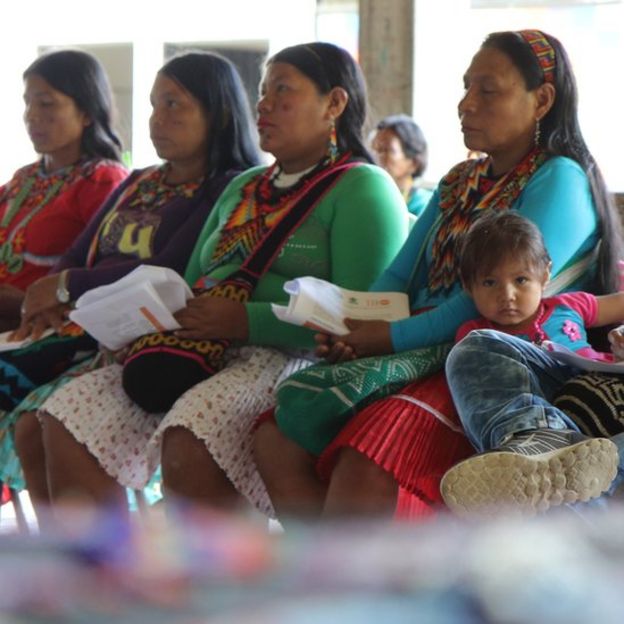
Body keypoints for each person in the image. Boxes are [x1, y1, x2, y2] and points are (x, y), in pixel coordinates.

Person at [253, 29, 624, 523]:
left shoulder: (561, 178)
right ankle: (329, 579)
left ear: (542, 100)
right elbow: (400, 272)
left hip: (488, 356)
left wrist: (386, 336)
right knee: (275, 437)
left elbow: (489, 301)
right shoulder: (459, 180)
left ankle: (355, 588)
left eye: (487, 90)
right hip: (418, 345)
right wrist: (355, 325)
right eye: (466, 87)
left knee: (368, 456)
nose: (466, 104)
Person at [33, 42, 408, 518]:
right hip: (202, 347)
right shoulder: (243, 185)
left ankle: (228, 583)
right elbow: (190, 285)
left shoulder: (362, 187)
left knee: (190, 438)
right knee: (66, 416)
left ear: (334, 103)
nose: (264, 104)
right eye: (262, 92)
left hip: (290, 359)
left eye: (282, 91)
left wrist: (246, 322)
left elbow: (361, 322)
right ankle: (111, 576)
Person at [6, 50, 260, 520]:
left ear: (218, 113)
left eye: (173, 105)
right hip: (89, 325)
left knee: (40, 424)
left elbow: (168, 269)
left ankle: (107, 570)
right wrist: (55, 290)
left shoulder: (228, 187)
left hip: (149, 337)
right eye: (152, 105)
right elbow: (76, 254)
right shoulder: (139, 180)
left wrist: (67, 286)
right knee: (28, 428)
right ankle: (73, 569)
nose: (156, 120)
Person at [441, 211, 622, 516]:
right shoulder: (480, 336)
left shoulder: (570, 305)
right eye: (489, 282)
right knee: (470, 349)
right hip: (547, 404)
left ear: (545, 274)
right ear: (468, 286)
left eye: (521, 280)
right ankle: (539, 443)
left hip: (598, 386)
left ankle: (570, 479)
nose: (507, 295)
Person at [0, 49, 128, 332]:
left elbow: (105, 281)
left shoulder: (104, 181)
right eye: (28, 103)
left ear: (86, 113)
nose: (32, 116)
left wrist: (24, 302)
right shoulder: (23, 179)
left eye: (46, 104)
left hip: (43, 331)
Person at [370, 114, 432, 219]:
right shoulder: (370, 198)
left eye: (386, 150)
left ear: (413, 162)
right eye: (375, 149)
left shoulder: (423, 206)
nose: (376, 157)